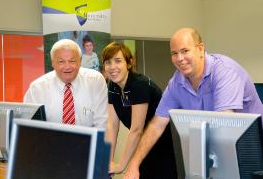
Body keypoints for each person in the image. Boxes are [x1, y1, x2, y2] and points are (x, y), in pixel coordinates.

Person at [123, 27, 263, 179]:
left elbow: (224, 124)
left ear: (200, 49)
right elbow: (157, 125)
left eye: (185, 51)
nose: (180, 58)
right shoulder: (176, 83)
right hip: (220, 152)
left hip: (253, 150)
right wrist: (134, 165)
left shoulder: (224, 72)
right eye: (174, 53)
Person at [101, 42, 177, 179]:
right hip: (142, 148)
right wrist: (108, 162)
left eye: (118, 61)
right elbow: (111, 126)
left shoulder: (139, 85)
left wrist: (120, 166)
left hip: (164, 147)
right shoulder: (112, 86)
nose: (112, 67)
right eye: (108, 62)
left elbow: (136, 130)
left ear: (129, 63)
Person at [24, 39, 107, 128]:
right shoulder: (37, 88)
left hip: (89, 140)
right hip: (49, 140)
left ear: (80, 61)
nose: (67, 67)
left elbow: (102, 122)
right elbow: (30, 126)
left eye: (72, 61)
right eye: (61, 61)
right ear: (52, 63)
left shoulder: (95, 81)